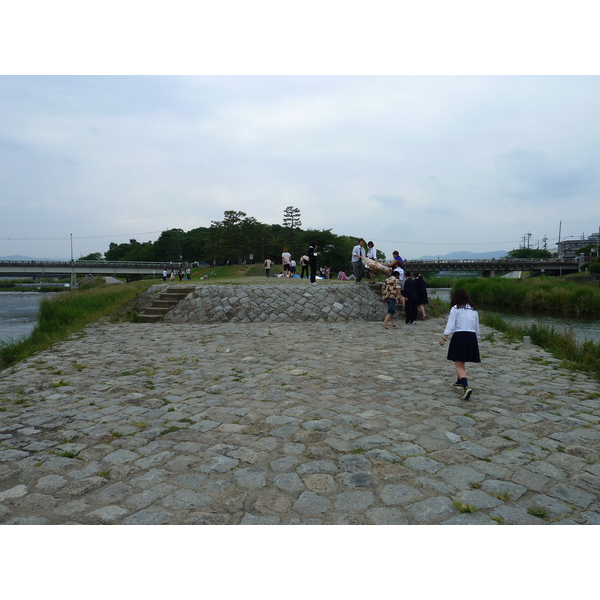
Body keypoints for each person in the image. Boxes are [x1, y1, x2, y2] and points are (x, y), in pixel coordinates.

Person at [439, 288, 481, 401]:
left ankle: (466, 386)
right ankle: (459, 381)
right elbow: (476, 326)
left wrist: (444, 337)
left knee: (458, 363)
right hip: (471, 337)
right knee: (461, 360)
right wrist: (476, 338)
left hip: (460, 336)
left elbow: (451, 325)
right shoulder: (473, 309)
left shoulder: (455, 308)